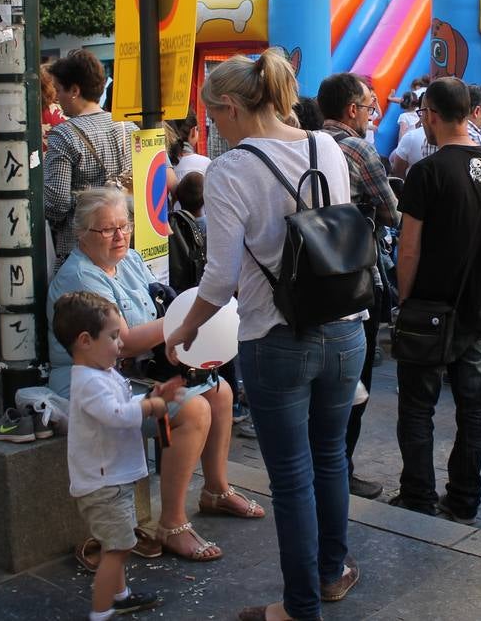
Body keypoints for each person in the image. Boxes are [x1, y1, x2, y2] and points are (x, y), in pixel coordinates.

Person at [166, 52, 366, 621]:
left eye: (215, 116)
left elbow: (222, 277)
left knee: (292, 475)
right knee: (330, 457)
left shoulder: (231, 170)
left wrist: (183, 328)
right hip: (345, 328)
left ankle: (299, 607)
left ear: (231, 107)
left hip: (275, 337)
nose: (215, 129)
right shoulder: (324, 146)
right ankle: (331, 575)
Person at [47, 188, 259, 563]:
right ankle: (172, 523)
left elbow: (155, 311)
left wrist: (184, 322)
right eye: (107, 230)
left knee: (221, 392)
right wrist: (180, 321)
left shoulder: (127, 259)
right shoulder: (78, 277)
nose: (119, 236)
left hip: (138, 370)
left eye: (124, 226)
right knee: (193, 411)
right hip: (97, 382)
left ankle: (215, 490)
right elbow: (121, 344)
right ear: (82, 235)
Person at [391, 78, 481, 522]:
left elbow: (408, 247)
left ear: (431, 114)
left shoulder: (426, 172)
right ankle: (465, 497)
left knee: (418, 407)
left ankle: (417, 495)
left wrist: (405, 297)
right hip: (480, 309)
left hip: (429, 308)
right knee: (472, 409)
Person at [55, 292, 166, 620]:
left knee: (117, 544)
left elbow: (120, 402)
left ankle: (120, 595)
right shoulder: (89, 382)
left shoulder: (101, 372)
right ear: (85, 341)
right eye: (114, 337)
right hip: (104, 485)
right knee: (116, 548)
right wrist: (148, 407)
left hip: (112, 479)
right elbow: (116, 414)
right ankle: (102, 610)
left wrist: (152, 396)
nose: (121, 344)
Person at [318, 71, 401, 500]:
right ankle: (340, 468)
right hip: (352, 279)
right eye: (370, 106)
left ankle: (318, 465)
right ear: (352, 110)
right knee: (353, 382)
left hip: (305, 279)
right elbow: (391, 212)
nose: (372, 113)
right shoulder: (358, 148)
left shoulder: (305, 142)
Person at [45, 50, 133, 270]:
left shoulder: (63, 135)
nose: (56, 97)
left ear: (75, 90)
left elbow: (56, 203)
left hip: (80, 250)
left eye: (58, 89)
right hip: (124, 248)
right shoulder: (129, 128)